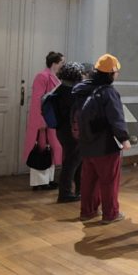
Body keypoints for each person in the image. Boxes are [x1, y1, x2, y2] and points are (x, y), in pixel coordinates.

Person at [72, 54, 131, 224]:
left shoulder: (81, 90)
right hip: (105, 144)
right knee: (109, 181)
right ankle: (110, 214)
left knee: (88, 180)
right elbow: (116, 118)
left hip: (85, 142)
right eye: (116, 71)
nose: (117, 74)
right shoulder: (108, 92)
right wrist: (124, 139)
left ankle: (87, 211)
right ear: (110, 73)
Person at [25, 51, 65, 191]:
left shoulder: (53, 77)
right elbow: (37, 100)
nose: (63, 65)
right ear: (54, 63)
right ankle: (39, 182)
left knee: (51, 149)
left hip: (51, 119)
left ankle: (48, 179)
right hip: (44, 119)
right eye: (61, 62)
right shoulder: (42, 76)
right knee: (41, 149)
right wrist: (40, 121)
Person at [50, 61, 85, 203]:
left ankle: (79, 190)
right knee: (71, 163)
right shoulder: (72, 92)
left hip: (62, 130)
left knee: (75, 160)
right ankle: (65, 194)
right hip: (72, 131)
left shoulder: (60, 89)